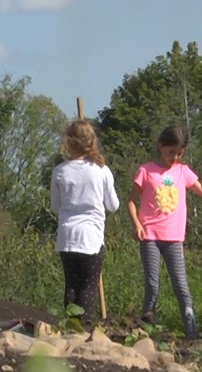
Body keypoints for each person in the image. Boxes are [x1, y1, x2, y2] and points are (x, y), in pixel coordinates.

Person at [127, 124, 202, 340]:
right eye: (170, 152)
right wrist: (137, 224)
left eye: (179, 153)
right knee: (153, 285)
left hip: (174, 238)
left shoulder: (183, 171)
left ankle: (191, 331)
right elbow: (131, 201)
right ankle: (146, 328)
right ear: (161, 146)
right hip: (150, 236)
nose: (174, 157)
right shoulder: (146, 171)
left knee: (181, 286)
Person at [50, 120, 120, 328]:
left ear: (68, 143)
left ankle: (71, 326)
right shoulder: (101, 170)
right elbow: (113, 205)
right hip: (91, 236)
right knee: (89, 286)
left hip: (67, 235)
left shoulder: (60, 171)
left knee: (71, 284)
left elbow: (55, 206)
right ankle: (87, 325)